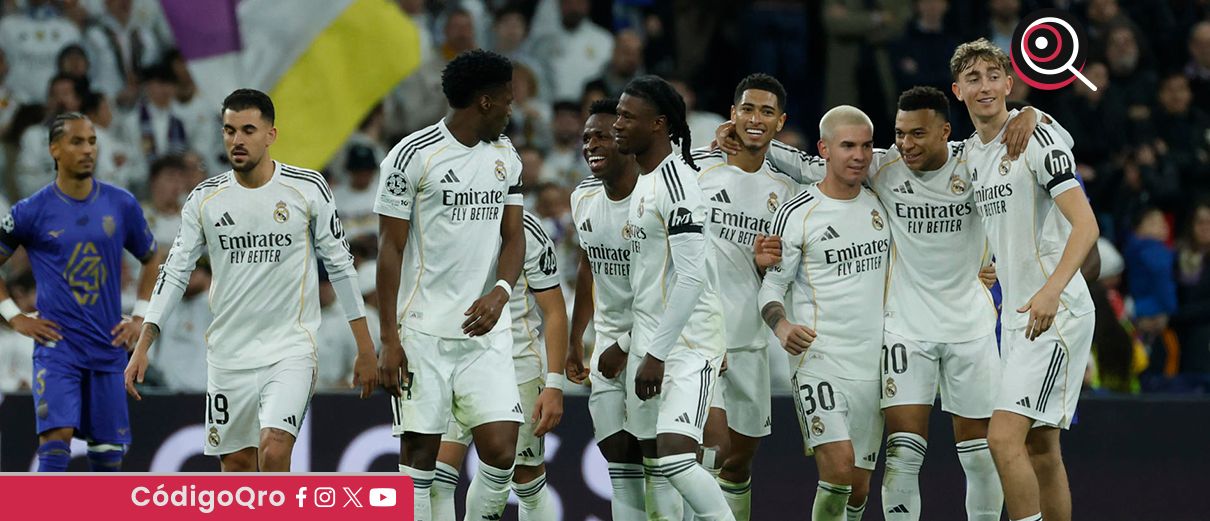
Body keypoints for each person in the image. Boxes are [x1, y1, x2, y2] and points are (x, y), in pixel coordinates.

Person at [734, 87, 1065, 520]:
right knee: (904, 457)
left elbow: (1051, 145)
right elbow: (810, 161)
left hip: (973, 327)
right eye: (898, 134)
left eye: (917, 134)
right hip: (905, 330)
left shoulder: (974, 159)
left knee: (981, 457)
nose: (904, 144)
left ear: (946, 132)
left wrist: (1032, 113)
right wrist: (743, 134)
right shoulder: (883, 167)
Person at [124, 89, 378, 472]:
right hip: (228, 356)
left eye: (247, 130)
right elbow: (174, 273)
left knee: (274, 453)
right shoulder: (205, 199)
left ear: (270, 135)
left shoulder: (307, 189)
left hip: (290, 351)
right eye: (229, 131)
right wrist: (144, 342)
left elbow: (341, 266)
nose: (237, 140)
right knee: (238, 467)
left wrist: (366, 345)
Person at [374, 49, 526, 521]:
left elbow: (514, 236)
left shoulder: (506, 156)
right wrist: (390, 340)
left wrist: (501, 291)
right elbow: (389, 251)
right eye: (506, 100)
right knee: (420, 460)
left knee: (502, 450)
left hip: (485, 332)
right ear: (483, 102)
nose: (510, 109)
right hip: (423, 333)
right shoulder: (410, 156)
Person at [951, 38, 1098, 521]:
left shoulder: (1037, 136)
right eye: (973, 78)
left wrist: (1051, 290)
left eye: (994, 76)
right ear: (958, 91)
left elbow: (1086, 225)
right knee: (1041, 449)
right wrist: (1000, 263)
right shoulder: (972, 153)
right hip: (1018, 316)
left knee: (1001, 438)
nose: (986, 86)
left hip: (1055, 313)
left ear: (1010, 84)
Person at [0, 112, 162, 472]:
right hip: (58, 349)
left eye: (91, 141)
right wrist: (15, 317)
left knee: (107, 462)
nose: (88, 149)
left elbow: (152, 260)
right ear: (54, 149)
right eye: (77, 141)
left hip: (108, 349)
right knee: (55, 447)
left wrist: (140, 316)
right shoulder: (32, 210)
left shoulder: (121, 203)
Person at [757, 105, 888, 521]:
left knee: (859, 487)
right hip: (819, 359)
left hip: (875, 362)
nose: (859, 155)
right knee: (839, 470)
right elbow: (772, 286)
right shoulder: (798, 212)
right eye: (848, 145)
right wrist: (781, 325)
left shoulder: (882, 203)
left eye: (866, 146)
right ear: (824, 150)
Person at [614, 75, 733, 521]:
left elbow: (690, 278)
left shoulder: (680, 185)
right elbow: (650, 281)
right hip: (651, 341)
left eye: (628, 116)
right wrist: (633, 344)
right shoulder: (644, 181)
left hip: (685, 346)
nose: (617, 125)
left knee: (677, 458)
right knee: (657, 465)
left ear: (660, 124)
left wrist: (656, 354)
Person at [688, 73, 799, 521]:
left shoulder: (787, 194)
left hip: (750, 339)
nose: (755, 119)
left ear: (780, 122)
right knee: (707, 452)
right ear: (732, 115)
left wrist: (762, 264)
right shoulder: (694, 168)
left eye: (766, 112)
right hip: (697, 336)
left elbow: (786, 275)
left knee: (738, 462)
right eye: (748, 109)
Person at [430, 210, 569, 521]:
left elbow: (555, 310)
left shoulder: (528, 229)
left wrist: (554, 384)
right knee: (437, 476)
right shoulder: (442, 215)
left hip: (515, 367)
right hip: (453, 363)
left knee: (526, 480)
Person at [568, 97, 646, 520]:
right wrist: (578, 336)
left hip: (659, 345)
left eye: (603, 135)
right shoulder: (582, 198)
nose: (591, 144)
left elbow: (679, 284)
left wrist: (629, 344)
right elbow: (588, 265)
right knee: (617, 454)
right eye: (587, 137)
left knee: (665, 461)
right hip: (607, 344)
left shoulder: (656, 200)